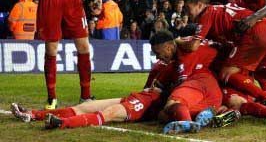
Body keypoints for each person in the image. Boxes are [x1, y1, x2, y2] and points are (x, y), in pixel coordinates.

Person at [10, 48, 179, 129]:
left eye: (159, 52)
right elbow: (147, 88)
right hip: (139, 98)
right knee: (83, 107)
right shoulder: (161, 66)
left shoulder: (182, 67)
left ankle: (62, 123)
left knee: (109, 113)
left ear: (169, 46)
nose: (158, 57)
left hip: (147, 105)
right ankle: (33, 114)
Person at [178, 0, 266, 111]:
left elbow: (193, 46)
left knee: (227, 73)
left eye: (188, 8)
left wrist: (177, 41)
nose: (186, 13)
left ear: (199, 5)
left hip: (256, 34)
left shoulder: (206, 14)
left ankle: (265, 96)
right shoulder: (216, 13)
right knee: (258, 69)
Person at [151, 30, 222, 134]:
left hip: (199, 82)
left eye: (158, 53)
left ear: (168, 48)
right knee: (163, 115)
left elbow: (181, 86)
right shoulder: (186, 43)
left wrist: (164, 92)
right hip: (214, 94)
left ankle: (188, 123)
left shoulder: (184, 56)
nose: (157, 57)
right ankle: (208, 113)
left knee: (171, 105)